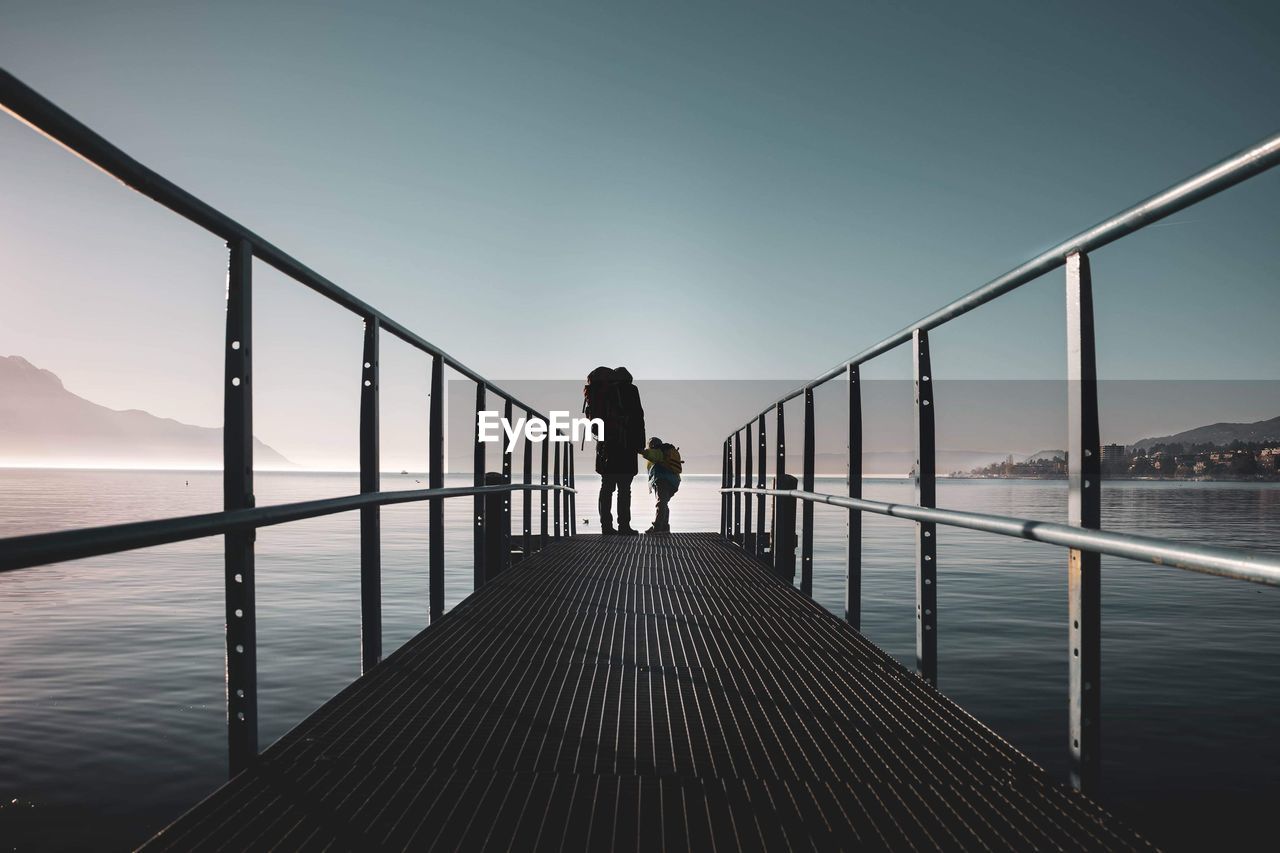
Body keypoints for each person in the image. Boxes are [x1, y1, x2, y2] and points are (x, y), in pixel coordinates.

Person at [584, 366, 645, 535]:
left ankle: (606, 526)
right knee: (624, 489)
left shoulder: (601, 392)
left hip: (606, 447)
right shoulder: (631, 390)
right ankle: (624, 526)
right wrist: (640, 445)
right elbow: (638, 418)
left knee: (607, 487)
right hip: (625, 446)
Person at [639, 437, 682, 534]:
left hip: (662, 481)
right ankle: (664, 527)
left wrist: (639, 450)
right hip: (673, 482)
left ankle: (657, 527)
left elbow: (649, 454)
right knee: (664, 503)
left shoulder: (658, 451)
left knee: (661, 503)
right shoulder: (667, 451)